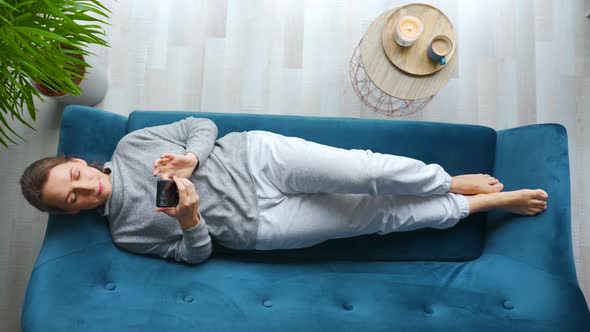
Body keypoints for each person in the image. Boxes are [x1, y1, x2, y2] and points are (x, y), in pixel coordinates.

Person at [20, 117, 549, 265]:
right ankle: (479, 203)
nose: (81, 190)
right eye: (69, 200)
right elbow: (195, 255)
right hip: (260, 228)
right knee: (373, 218)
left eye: (73, 179)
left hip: (256, 158)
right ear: (72, 211)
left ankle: (446, 180)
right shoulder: (126, 236)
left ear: (75, 164)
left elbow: (201, 125)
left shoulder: (133, 142)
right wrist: (189, 220)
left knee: (365, 171)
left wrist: (192, 157)